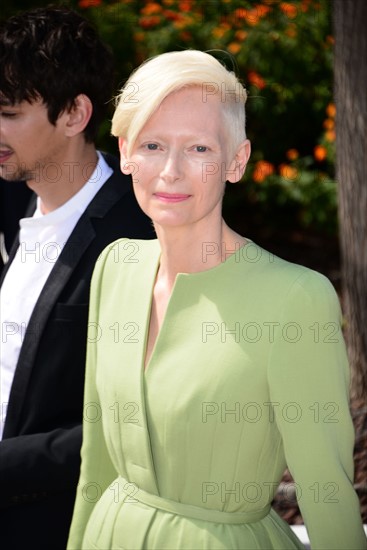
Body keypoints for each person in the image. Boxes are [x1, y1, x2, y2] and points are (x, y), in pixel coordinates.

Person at [67, 50, 367, 549]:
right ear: (124, 152)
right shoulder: (114, 268)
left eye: (200, 149)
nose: (170, 171)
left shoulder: (296, 298)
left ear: (237, 161)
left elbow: (326, 493)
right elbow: (96, 460)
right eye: (153, 145)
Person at [0, 7, 154, 549]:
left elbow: (139, 427)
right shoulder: (20, 204)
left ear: (73, 114)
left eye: (9, 112)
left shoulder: (140, 236)